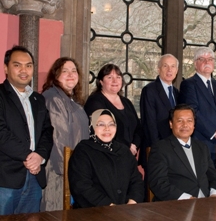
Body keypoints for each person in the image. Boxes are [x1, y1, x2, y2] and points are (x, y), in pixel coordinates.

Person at [0, 46, 53, 215]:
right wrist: (29, 156)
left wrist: (40, 156)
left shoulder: (38, 98)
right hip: (5, 178)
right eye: (18, 65)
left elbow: (47, 131)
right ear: (6, 68)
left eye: (29, 65)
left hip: (34, 178)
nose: (24, 70)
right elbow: (1, 133)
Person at [40, 57, 89, 211]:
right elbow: (58, 139)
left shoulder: (72, 100)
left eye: (74, 71)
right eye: (64, 71)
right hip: (59, 172)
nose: (70, 74)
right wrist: (70, 172)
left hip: (73, 168)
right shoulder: (53, 98)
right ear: (55, 75)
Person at [69, 109, 143, 208]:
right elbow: (81, 186)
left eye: (111, 124)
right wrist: (109, 206)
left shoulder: (123, 150)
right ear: (92, 127)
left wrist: (131, 203)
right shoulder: (83, 151)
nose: (107, 128)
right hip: (94, 211)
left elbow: (136, 180)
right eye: (101, 124)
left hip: (125, 210)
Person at [148, 104, 216, 201]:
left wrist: (214, 194)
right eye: (180, 121)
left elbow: (213, 176)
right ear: (171, 124)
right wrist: (186, 198)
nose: (185, 125)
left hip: (206, 203)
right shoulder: (160, 148)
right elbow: (158, 182)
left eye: (189, 121)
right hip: (176, 205)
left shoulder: (202, 147)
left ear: (194, 124)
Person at [179, 47, 216, 160]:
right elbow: (193, 112)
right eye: (202, 59)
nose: (207, 62)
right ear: (195, 64)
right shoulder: (188, 84)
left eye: (210, 59)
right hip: (202, 143)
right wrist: (215, 134)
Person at [84, 64, 141, 156]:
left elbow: (138, 128)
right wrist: (126, 146)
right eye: (109, 77)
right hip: (105, 155)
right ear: (101, 82)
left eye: (118, 77)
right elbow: (101, 129)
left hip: (128, 156)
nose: (115, 81)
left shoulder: (127, 102)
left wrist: (134, 145)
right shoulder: (95, 101)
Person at [140, 54, 179, 156]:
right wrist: (159, 149)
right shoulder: (149, 90)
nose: (169, 70)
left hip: (175, 150)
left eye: (173, 66)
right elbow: (149, 124)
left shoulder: (177, 93)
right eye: (165, 66)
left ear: (177, 71)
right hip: (156, 150)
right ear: (158, 69)